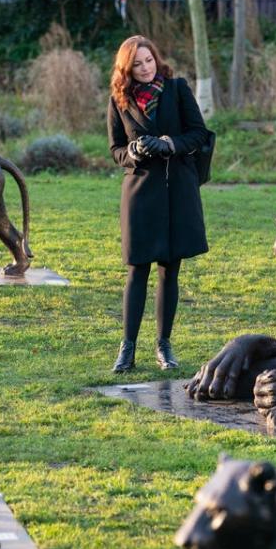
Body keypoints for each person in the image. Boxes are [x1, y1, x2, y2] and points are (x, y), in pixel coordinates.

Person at [106, 35, 210, 373]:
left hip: (177, 190)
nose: (145, 68)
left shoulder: (177, 89)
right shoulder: (118, 100)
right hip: (140, 193)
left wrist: (168, 144)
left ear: (156, 59)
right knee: (137, 269)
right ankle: (127, 348)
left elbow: (198, 134)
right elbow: (116, 149)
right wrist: (133, 152)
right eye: (137, 64)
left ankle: (164, 346)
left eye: (149, 60)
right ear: (128, 69)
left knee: (170, 270)